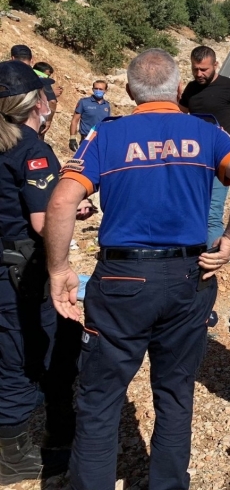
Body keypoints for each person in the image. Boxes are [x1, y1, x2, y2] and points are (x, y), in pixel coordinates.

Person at [44, 48, 230, 490]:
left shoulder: (108, 134)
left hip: (123, 281)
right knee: (175, 394)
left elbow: (63, 200)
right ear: (179, 89)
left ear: (128, 92)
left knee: (101, 399)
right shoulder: (206, 131)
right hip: (189, 275)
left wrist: (59, 269)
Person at [0, 60, 93, 483]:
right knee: (21, 356)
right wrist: (70, 208)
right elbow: (42, 223)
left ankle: (58, 426)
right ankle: (15, 459)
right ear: (37, 102)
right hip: (25, 272)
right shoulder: (31, 150)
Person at [180, 45, 230, 248]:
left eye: (204, 69)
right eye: (195, 69)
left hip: (221, 159)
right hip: (195, 159)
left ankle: (213, 259)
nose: (199, 74)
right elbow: (179, 116)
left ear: (216, 65)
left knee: (212, 214)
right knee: (193, 208)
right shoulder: (191, 89)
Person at [11, 46, 56, 138]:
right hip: (31, 125)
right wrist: (49, 120)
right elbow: (52, 101)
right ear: (32, 60)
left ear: (12, 58)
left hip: (9, 123)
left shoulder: (6, 73)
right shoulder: (40, 78)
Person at [69, 80, 111, 153]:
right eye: (96, 88)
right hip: (86, 140)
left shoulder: (107, 105)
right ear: (93, 89)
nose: (98, 91)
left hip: (101, 141)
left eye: (100, 89)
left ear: (105, 91)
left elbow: (107, 123)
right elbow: (75, 120)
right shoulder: (84, 102)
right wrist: (72, 138)